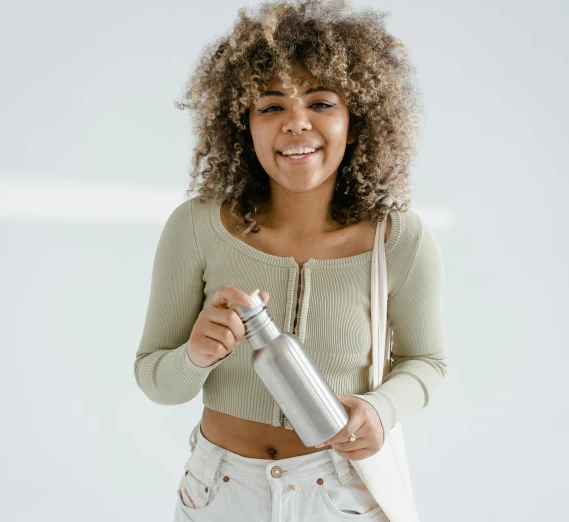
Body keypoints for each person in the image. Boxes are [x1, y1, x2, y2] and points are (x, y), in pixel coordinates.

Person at [133, 1, 446, 520]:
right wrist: (195, 356)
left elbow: (427, 362)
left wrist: (380, 409)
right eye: (271, 106)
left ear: (356, 118)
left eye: (321, 102)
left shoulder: (397, 238)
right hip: (219, 491)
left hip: (340, 494)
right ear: (243, 126)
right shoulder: (196, 227)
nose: (297, 124)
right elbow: (153, 379)